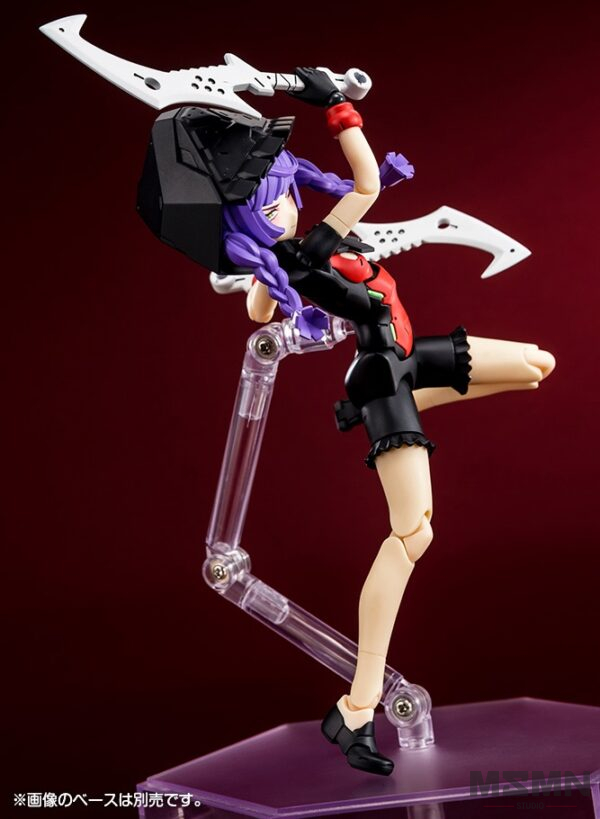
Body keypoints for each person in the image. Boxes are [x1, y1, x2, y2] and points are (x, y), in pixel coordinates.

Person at [138, 68, 555, 777]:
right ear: (247, 222)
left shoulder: (307, 248)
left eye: (285, 192)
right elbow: (345, 207)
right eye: (271, 202)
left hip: (407, 363)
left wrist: (333, 108)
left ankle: (398, 418)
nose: (289, 204)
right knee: (414, 532)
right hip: (384, 376)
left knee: (536, 364)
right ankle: (358, 706)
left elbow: (345, 204)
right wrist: (333, 109)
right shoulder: (301, 257)